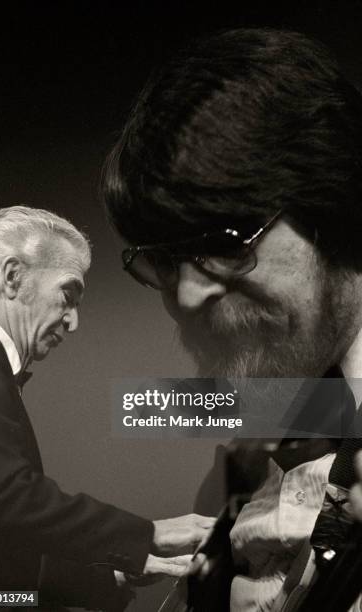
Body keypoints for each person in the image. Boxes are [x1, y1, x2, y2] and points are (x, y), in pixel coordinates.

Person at [102, 28, 362, 610]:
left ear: (334, 209)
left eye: (226, 241)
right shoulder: (257, 447)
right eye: (163, 262)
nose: (187, 296)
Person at [0, 205, 214, 612]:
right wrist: (147, 534)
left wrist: (106, 576)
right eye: (68, 295)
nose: (73, 321)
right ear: (12, 277)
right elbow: (9, 500)